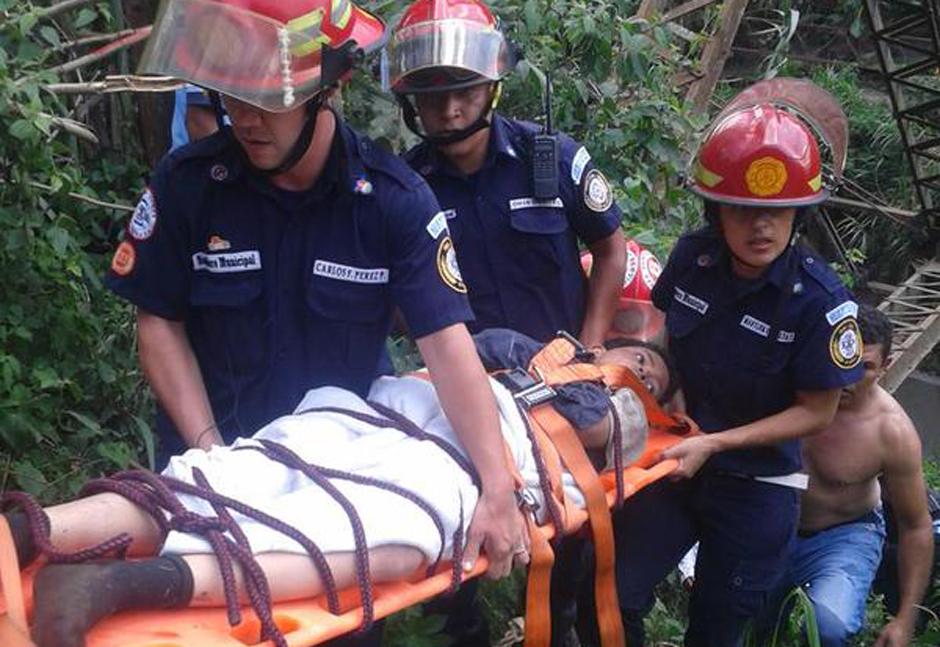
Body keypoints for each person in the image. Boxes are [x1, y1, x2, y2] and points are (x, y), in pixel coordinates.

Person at [104, 7, 528, 647]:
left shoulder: (392, 200)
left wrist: (497, 488)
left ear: (327, 89)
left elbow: (448, 350)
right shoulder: (191, 184)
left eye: (266, 102)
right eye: (231, 97)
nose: (242, 118)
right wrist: (212, 449)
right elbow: (158, 320)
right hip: (209, 464)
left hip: (331, 489)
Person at [3, 332, 675, 647]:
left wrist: (593, 377)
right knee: (256, 465)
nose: (636, 363)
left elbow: (598, 436)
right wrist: (559, 358)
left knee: (382, 533)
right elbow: (467, 344)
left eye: (649, 369)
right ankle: (40, 527)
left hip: (469, 463)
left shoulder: (621, 409)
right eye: (636, 352)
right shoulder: (543, 347)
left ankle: (118, 585)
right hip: (396, 411)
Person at [608, 83, 866, 647]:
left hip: (757, 489)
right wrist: (648, 373)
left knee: (716, 632)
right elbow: (669, 334)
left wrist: (717, 444)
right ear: (715, 209)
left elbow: (816, 414)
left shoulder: (820, 303)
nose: (761, 228)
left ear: (801, 214)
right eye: (742, 210)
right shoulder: (693, 259)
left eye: (778, 213)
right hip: (675, 465)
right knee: (612, 594)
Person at [387, 0, 627, 349]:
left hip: (566, 377)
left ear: (492, 87)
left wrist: (589, 352)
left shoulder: (553, 159)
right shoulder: (406, 189)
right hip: (473, 388)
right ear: (413, 103)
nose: (450, 111)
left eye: (466, 91)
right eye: (431, 97)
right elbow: (394, 290)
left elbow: (611, 251)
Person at [761, 304, 934, 647]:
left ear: (885, 367)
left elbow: (916, 525)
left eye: (865, 367)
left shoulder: (891, 431)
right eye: (844, 359)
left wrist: (905, 618)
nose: (847, 377)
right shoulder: (783, 389)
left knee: (830, 626)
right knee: (739, 621)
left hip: (843, 535)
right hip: (769, 522)